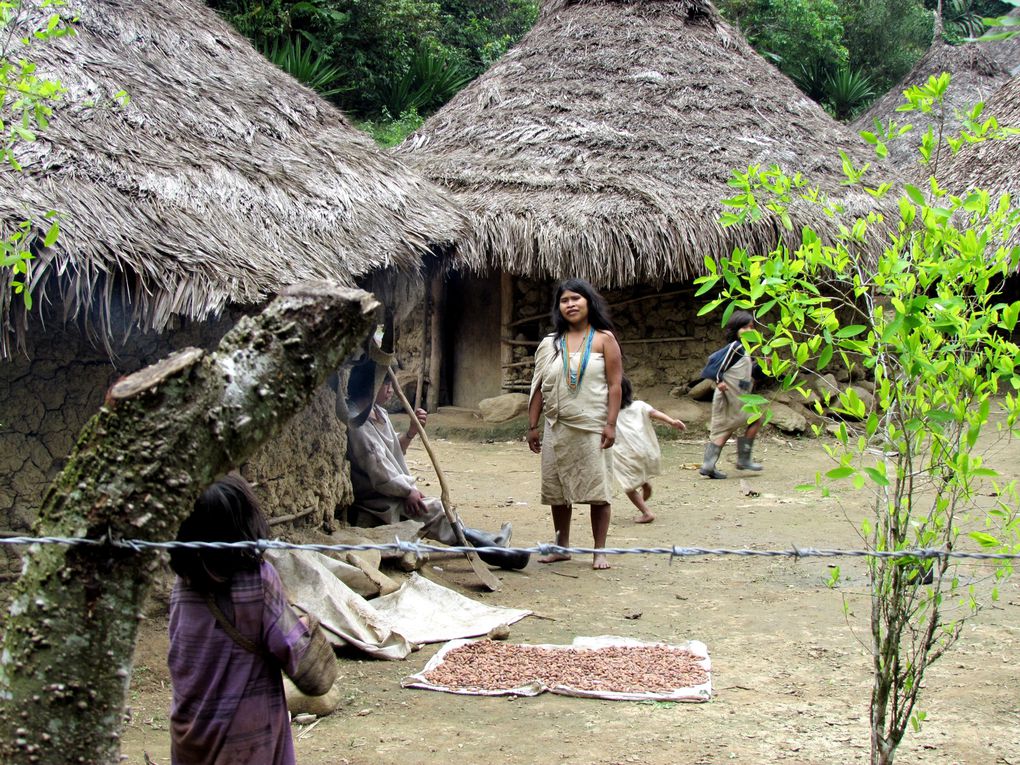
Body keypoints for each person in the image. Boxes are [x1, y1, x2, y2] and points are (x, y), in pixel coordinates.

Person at [168, 475, 334, 765]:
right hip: (246, 741)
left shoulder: (183, 586)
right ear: (245, 524)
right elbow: (299, 659)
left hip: (191, 738)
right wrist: (306, 627)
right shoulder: (257, 582)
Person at [345, 356, 529, 570]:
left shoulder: (379, 413)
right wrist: (407, 491)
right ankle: (496, 552)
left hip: (393, 490)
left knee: (439, 510)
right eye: (386, 383)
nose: (390, 389)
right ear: (370, 383)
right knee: (434, 511)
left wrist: (411, 433)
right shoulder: (357, 422)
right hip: (378, 498)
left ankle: (491, 542)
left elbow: (394, 452)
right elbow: (379, 472)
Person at [527, 278, 623, 570]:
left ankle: (599, 551)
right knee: (558, 491)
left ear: (588, 302)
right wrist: (532, 426)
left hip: (592, 427)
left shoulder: (604, 339)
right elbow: (539, 387)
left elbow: (615, 385)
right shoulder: (550, 344)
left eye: (576, 299)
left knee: (598, 490)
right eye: (564, 300)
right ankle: (561, 546)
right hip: (557, 426)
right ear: (559, 307)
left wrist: (611, 424)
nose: (570, 304)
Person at [700, 310, 764, 479]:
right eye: (745, 327)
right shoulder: (735, 348)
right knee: (755, 419)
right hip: (731, 396)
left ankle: (708, 465)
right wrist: (718, 380)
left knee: (726, 428)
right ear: (736, 329)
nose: (750, 331)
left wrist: (764, 365)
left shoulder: (745, 350)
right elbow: (714, 362)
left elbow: (750, 374)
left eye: (752, 327)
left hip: (738, 395)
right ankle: (743, 459)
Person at [614, 376, 686, 523]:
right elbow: (654, 413)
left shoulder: (610, 413)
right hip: (645, 449)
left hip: (626, 453)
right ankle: (644, 484)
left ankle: (646, 513)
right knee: (635, 473)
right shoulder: (639, 405)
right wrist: (672, 421)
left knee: (628, 486)